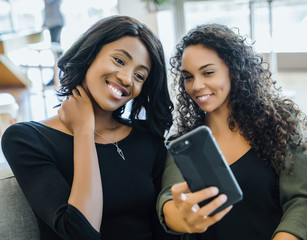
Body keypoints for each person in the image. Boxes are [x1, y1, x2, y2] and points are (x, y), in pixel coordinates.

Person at [1, 16, 178, 240]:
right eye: (119, 61)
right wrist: (84, 130)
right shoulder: (26, 139)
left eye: (139, 75)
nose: (126, 78)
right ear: (90, 54)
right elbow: (81, 233)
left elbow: (161, 231)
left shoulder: (147, 139)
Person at [156, 24, 307, 240]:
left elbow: (300, 201)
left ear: (234, 70)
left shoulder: (277, 122)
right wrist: (176, 215)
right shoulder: (184, 144)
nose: (196, 85)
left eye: (208, 72)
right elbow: (169, 198)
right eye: (188, 76)